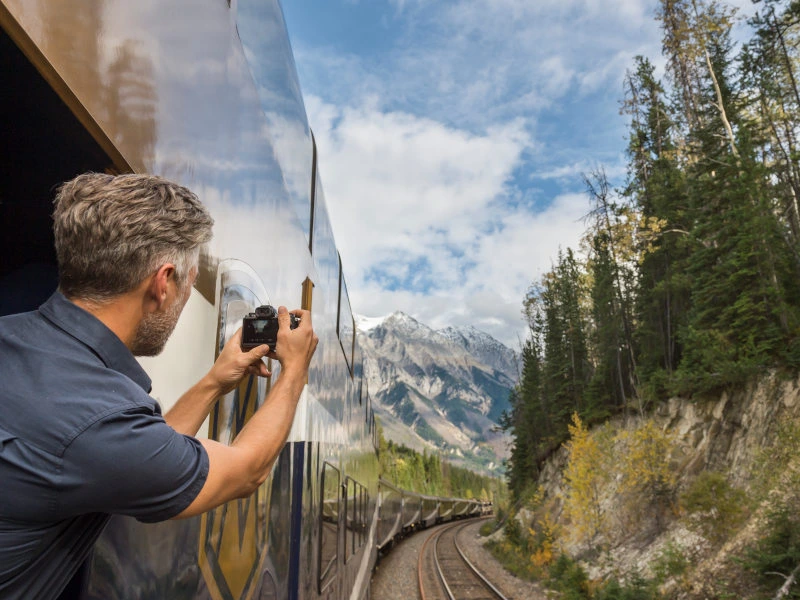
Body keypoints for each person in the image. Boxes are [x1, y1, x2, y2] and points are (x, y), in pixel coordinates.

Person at [0, 173, 318, 599]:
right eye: (189, 280)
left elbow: (144, 448)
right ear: (163, 282)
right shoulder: (100, 420)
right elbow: (245, 471)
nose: (188, 293)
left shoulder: (17, 339)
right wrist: (294, 370)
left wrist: (213, 382)